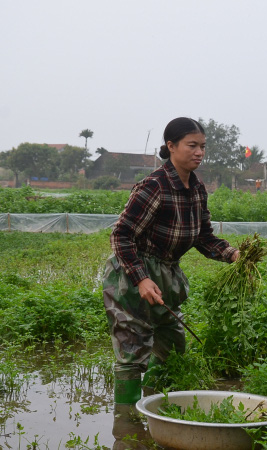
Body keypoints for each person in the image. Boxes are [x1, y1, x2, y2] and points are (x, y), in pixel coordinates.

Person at [102, 117, 239, 405]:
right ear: (171, 146)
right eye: (192, 145)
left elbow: (203, 237)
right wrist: (141, 278)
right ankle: (126, 426)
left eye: (202, 146)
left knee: (172, 345)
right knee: (131, 349)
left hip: (166, 274)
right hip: (131, 274)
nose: (199, 152)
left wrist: (234, 255)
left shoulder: (197, 189)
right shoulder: (154, 186)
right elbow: (121, 235)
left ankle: (154, 406)